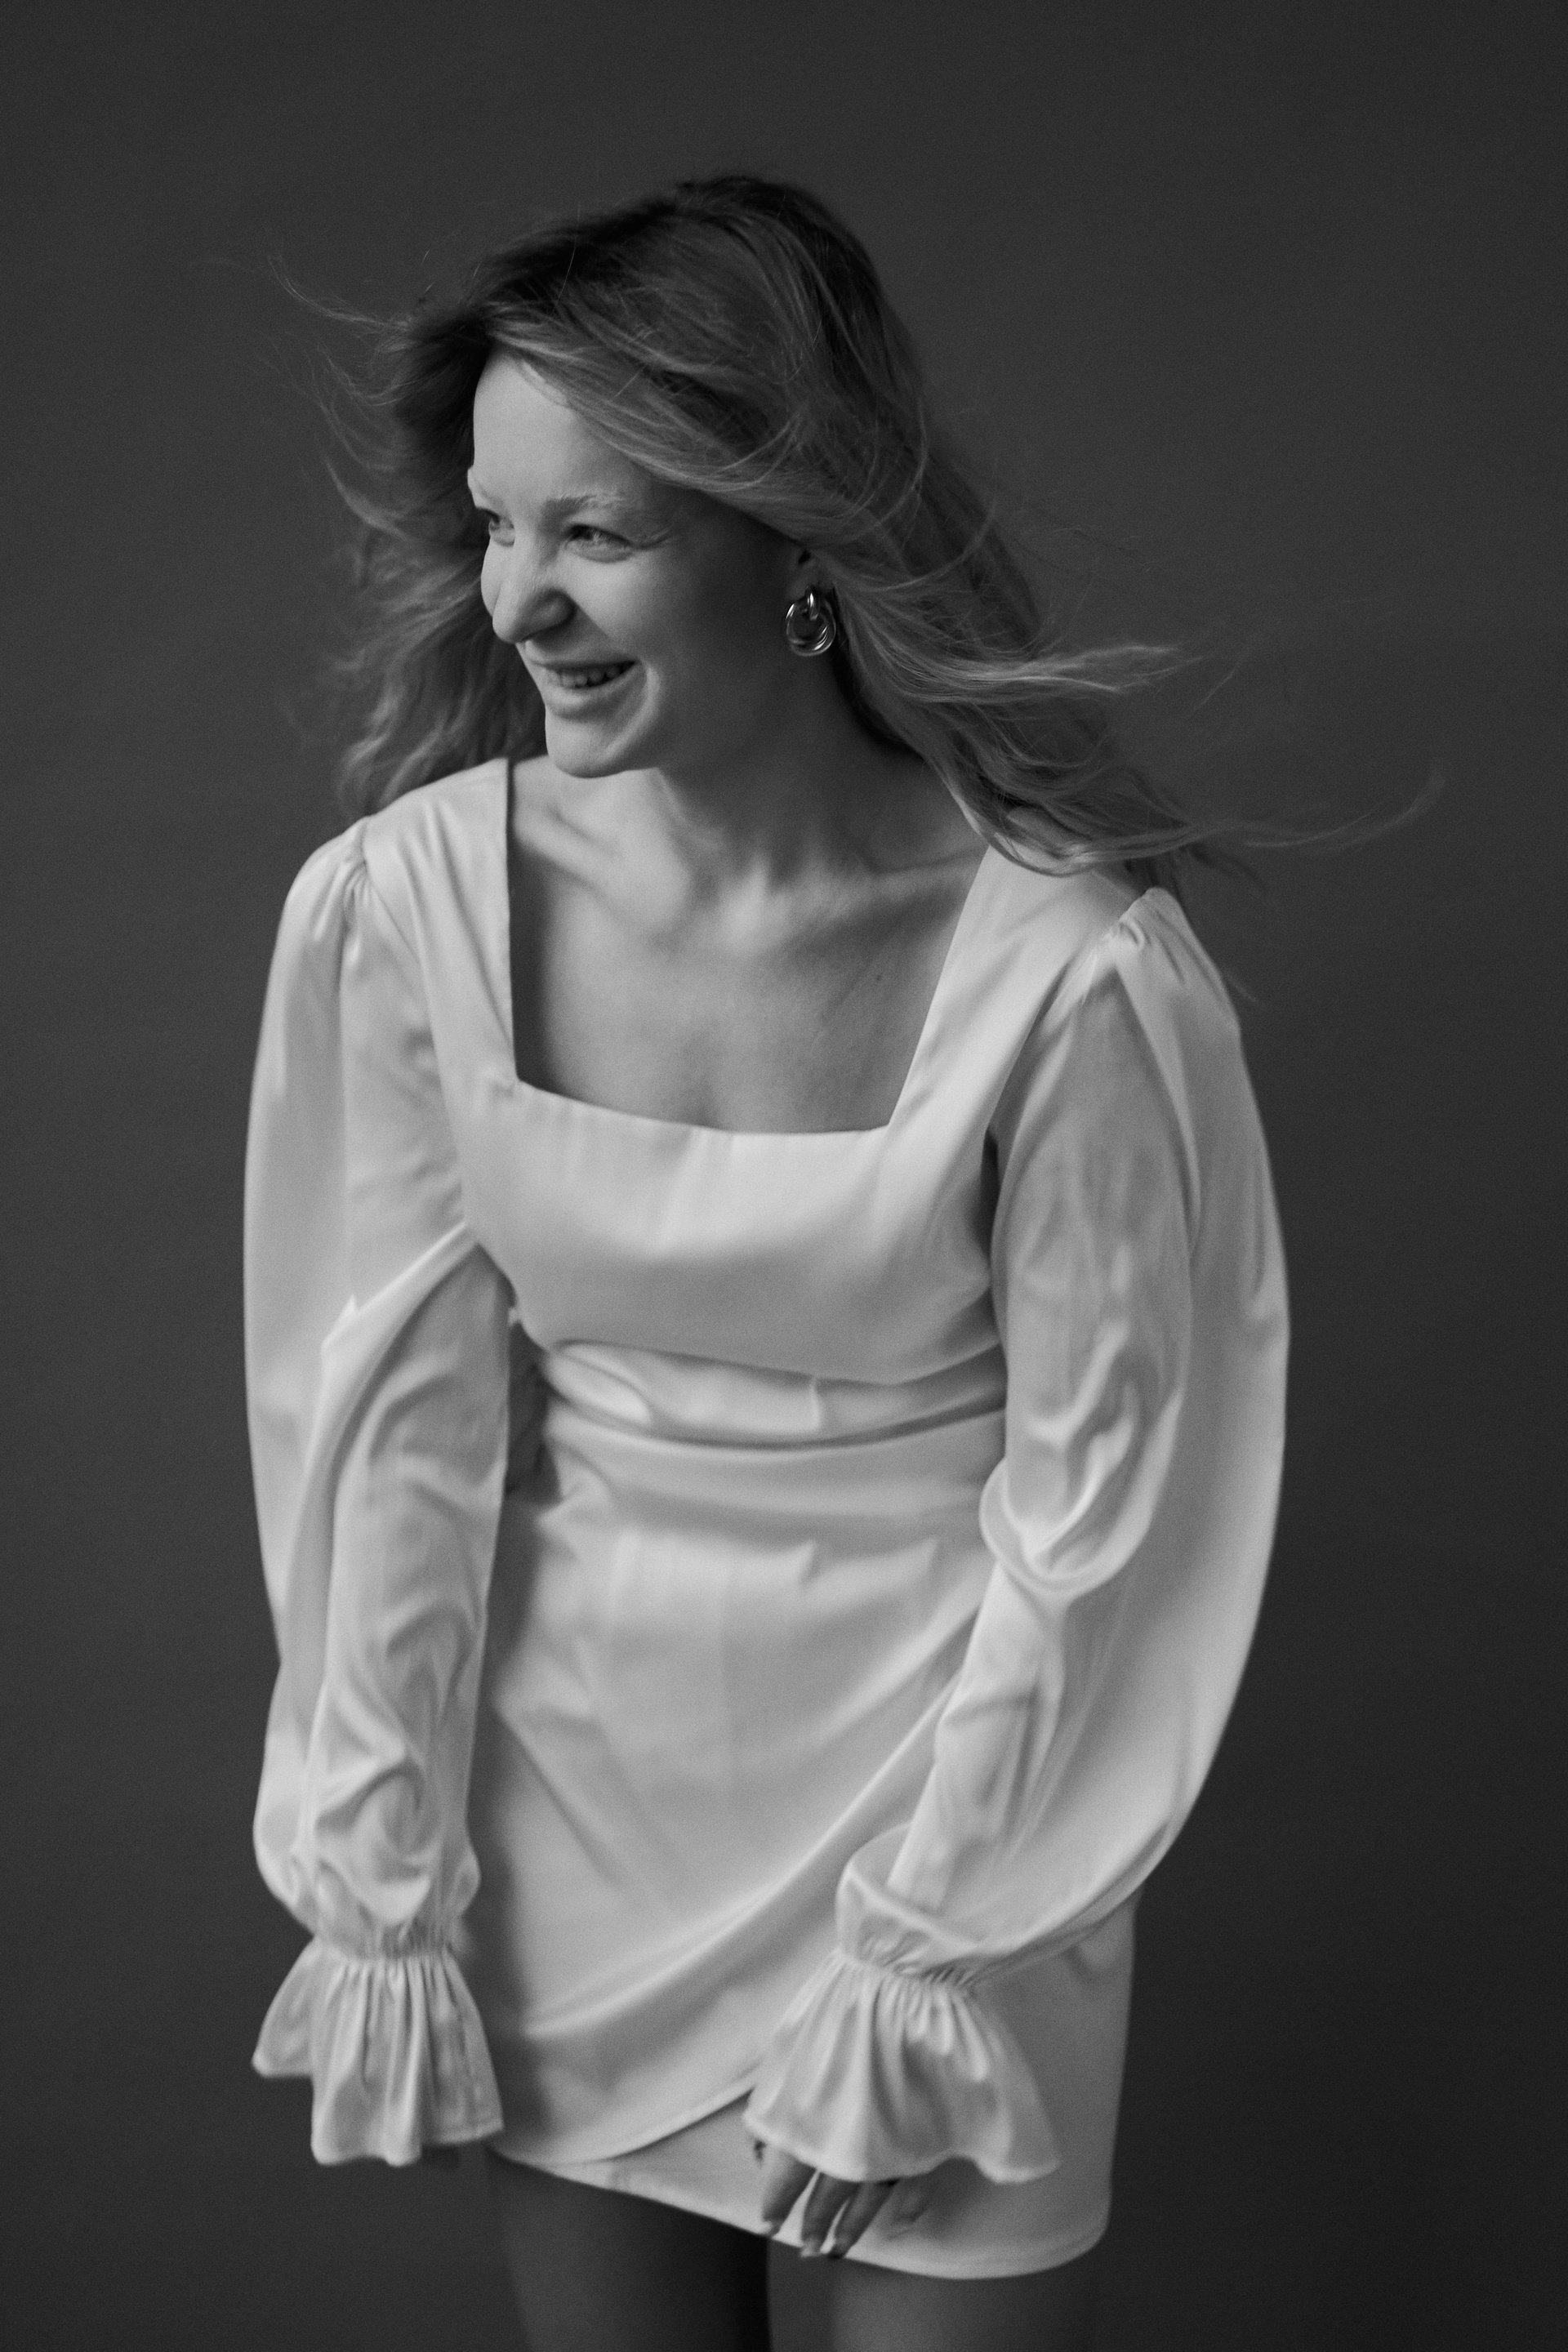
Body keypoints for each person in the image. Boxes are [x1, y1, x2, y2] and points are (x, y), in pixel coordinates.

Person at [243, 175, 1288, 2352]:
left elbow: (1114, 1525)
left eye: (595, 531)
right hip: (572, 1837)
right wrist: (384, 1884)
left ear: (796, 539)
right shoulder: (408, 909)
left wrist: (933, 1952)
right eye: (495, 526)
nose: (520, 599)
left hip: (964, 1839)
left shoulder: (1075, 975)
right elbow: (390, 1440)